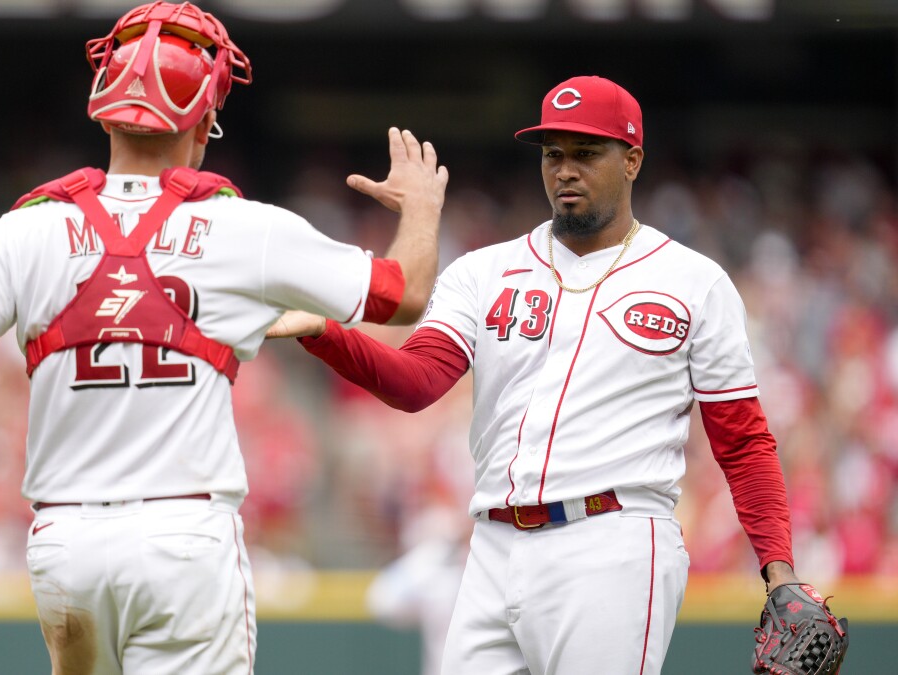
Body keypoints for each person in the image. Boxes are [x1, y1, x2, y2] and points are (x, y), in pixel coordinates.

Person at [0, 2, 447, 674]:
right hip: (183, 541)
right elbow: (404, 295)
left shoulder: (32, 226)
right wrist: (421, 209)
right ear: (206, 119)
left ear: (104, 105)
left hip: (66, 543)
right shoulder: (243, 229)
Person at [267, 75, 805, 674]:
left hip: (613, 540)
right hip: (493, 543)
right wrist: (324, 331)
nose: (565, 170)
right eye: (553, 155)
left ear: (632, 161)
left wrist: (777, 567)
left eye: (585, 153)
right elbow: (416, 382)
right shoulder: (484, 271)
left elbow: (743, 441)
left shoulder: (695, 282)